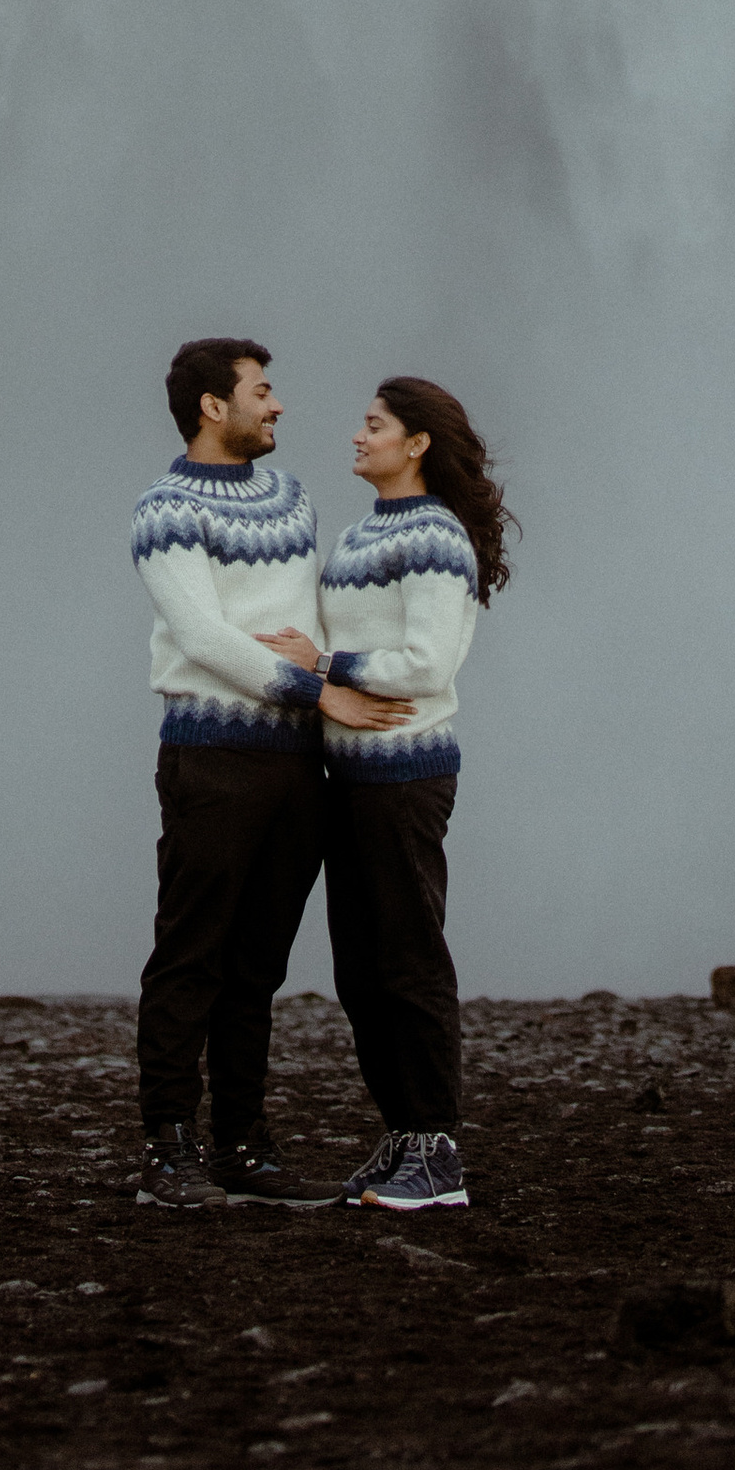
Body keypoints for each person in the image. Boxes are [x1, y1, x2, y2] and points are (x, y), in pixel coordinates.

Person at [130, 337, 412, 1208]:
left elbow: (313, 617)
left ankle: (241, 1148)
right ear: (213, 407)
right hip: (212, 757)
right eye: (261, 390)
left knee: (257, 968)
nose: (278, 403)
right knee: (190, 957)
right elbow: (203, 636)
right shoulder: (165, 510)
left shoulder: (292, 498)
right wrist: (321, 693)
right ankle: (166, 1154)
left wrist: (362, 668)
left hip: (296, 765)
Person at [260, 375, 515, 1211]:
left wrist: (326, 666)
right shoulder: (359, 535)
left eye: (374, 425)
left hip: (407, 777)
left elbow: (428, 665)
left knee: (408, 961)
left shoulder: (436, 537)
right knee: (360, 972)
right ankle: (404, 1136)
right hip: (348, 777)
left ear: (417, 443)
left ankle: (439, 1153)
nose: (358, 436)